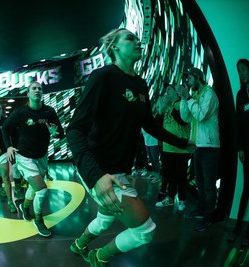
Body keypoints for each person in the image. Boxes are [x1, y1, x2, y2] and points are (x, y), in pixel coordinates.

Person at [66, 28, 189, 266]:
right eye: (130, 38)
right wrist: (95, 176)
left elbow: (150, 125)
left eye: (137, 38)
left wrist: (183, 143)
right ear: (114, 46)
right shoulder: (103, 77)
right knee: (145, 230)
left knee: (104, 219)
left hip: (121, 170)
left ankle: (78, 245)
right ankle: (98, 257)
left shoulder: (141, 85)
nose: (138, 41)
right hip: (98, 170)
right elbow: (75, 130)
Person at [2, 81, 64, 237]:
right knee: (42, 190)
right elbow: (5, 128)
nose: (37, 90)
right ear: (28, 94)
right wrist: (9, 146)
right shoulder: (20, 113)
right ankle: (38, 219)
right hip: (25, 157)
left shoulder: (49, 111)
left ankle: (25, 206)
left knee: (33, 188)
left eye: (39, 89)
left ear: (42, 93)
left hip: (42, 156)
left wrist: (55, 133)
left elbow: (60, 133)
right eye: (34, 89)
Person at [178, 67, 220, 232]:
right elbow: (186, 117)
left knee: (209, 186)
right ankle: (201, 211)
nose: (187, 81)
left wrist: (188, 98)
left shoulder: (209, 94)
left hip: (210, 147)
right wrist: (184, 99)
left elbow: (201, 116)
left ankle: (209, 217)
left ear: (198, 77)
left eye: (189, 78)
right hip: (198, 147)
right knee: (201, 185)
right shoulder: (194, 96)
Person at [155, 84, 191, 211]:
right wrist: (160, 110)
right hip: (167, 148)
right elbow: (156, 126)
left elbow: (182, 120)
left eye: (169, 90)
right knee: (169, 175)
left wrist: (169, 106)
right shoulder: (165, 107)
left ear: (176, 92)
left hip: (181, 148)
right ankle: (169, 198)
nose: (166, 93)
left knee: (181, 175)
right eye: (165, 91)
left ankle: (182, 199)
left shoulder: (181, 103)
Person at [228, 58, 249, 242]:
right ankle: (237, 228)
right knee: (246, 189)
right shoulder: (240, 94)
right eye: (239, 71)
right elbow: (238, 123)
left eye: (244, 69)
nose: (242, 73)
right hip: (247, 149)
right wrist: (240, 148)